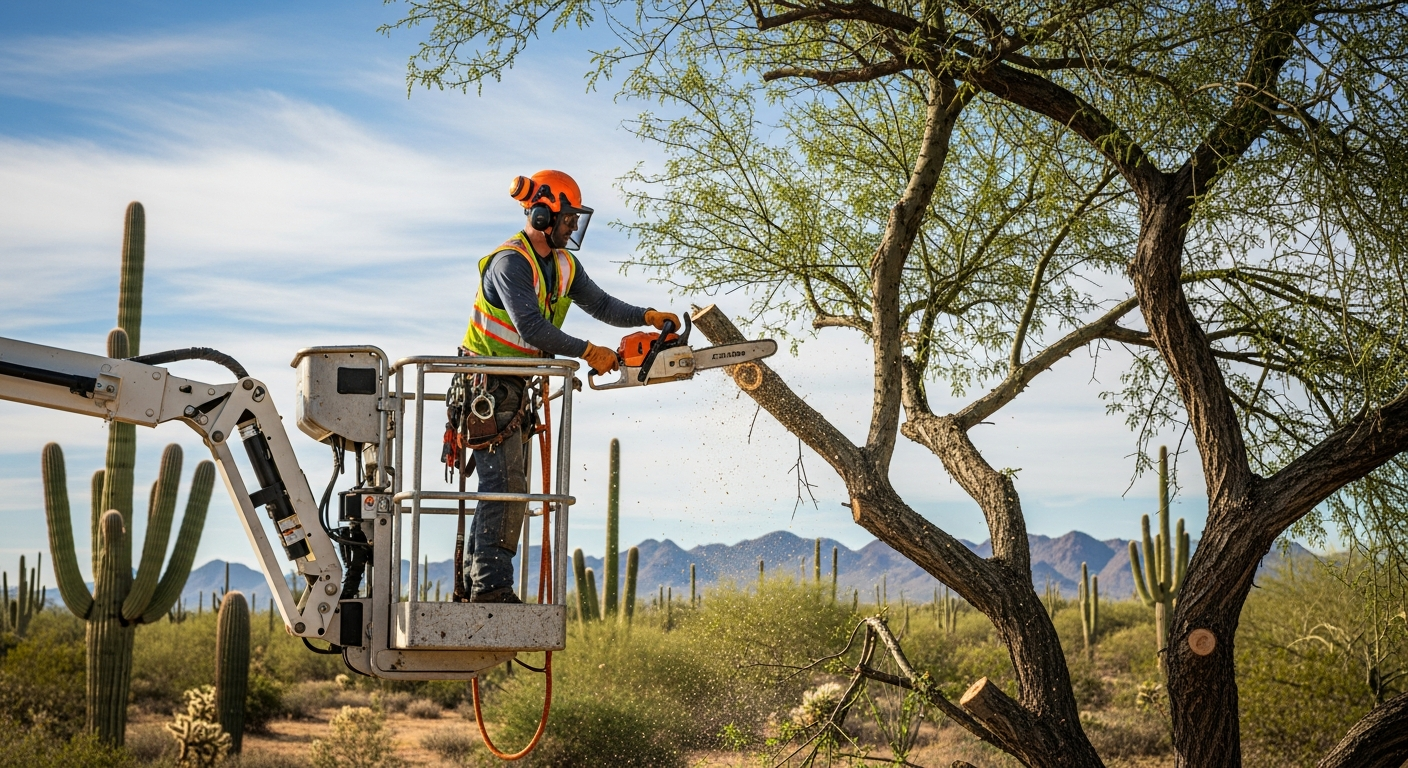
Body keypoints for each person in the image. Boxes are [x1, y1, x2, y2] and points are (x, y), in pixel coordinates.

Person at [457, 170, 679, 603]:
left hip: (517, 388)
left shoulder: (562, 265)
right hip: (488, 387)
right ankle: (490, 589)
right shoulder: (510, 262)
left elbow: (601, 304)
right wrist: (588, 351)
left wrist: (646, 317)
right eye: (569, 217)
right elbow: (533, 327)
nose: (574, 225)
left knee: (509, 487)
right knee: (505, 486)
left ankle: (482, 584)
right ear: (542, 215)